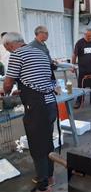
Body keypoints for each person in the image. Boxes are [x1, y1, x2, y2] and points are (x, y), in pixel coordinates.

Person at [2, 32, 57, 192]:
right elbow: (40, 79)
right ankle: (50, 176)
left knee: (37, 144)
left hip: (37, 107)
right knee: (47, 141)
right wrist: (23, 91)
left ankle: (43, 184)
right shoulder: (39, 52)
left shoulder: (17, 54)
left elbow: (8, 82)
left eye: (7, 48)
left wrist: (5, 91)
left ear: (9, 45)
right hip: (50, 103)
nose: (9, 51)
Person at [72, 28, 91, 109]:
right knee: (81, 86)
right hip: (83, 70)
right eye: (89, 36)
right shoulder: (79, 43)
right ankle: (79, 101)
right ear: (84, 35)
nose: (90, 38)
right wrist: (73, 66)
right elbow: (74, 55)